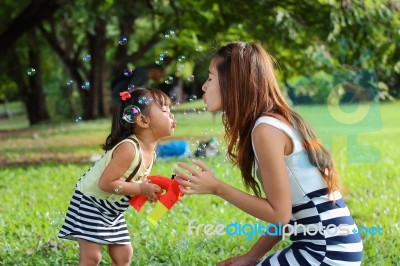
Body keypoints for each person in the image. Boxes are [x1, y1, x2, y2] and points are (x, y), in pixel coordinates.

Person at [174, 41, 363, 265]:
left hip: (325, 252)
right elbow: (285, 216)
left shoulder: (266, 129)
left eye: (210, 77)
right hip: (332, 247)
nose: (204, 86)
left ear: (233, 82)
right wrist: (252, 257)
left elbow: (278, 214)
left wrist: (217, 187)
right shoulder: (274, 121)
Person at [59, 87, 177, 266]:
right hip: (90, 202)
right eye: (165, 110)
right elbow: (105, 183)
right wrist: (140, 188)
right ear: (143, 121)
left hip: (112, 208)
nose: (171, 115)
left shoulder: (151, 152)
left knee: (124, 255)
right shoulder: (128, 148)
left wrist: (148, 189)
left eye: (170, 111)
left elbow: (133, 179)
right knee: (92, 257)